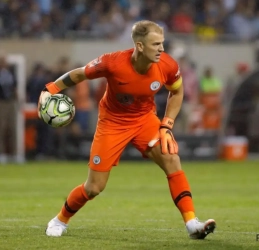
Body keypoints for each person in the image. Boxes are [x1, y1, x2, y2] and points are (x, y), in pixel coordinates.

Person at [38, 20, 216, 239]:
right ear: (140, 46)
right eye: (155, 44)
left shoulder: (168, 65)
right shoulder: (112, 62)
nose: (161, 49)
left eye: (162, 43)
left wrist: (167, 124)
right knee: (94, 187)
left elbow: (177, 92)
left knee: (172, 160)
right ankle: (59, 220)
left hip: (144, 120)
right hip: (112, 123)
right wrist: (49, 89)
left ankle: (192, 224)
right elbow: (79, 74)